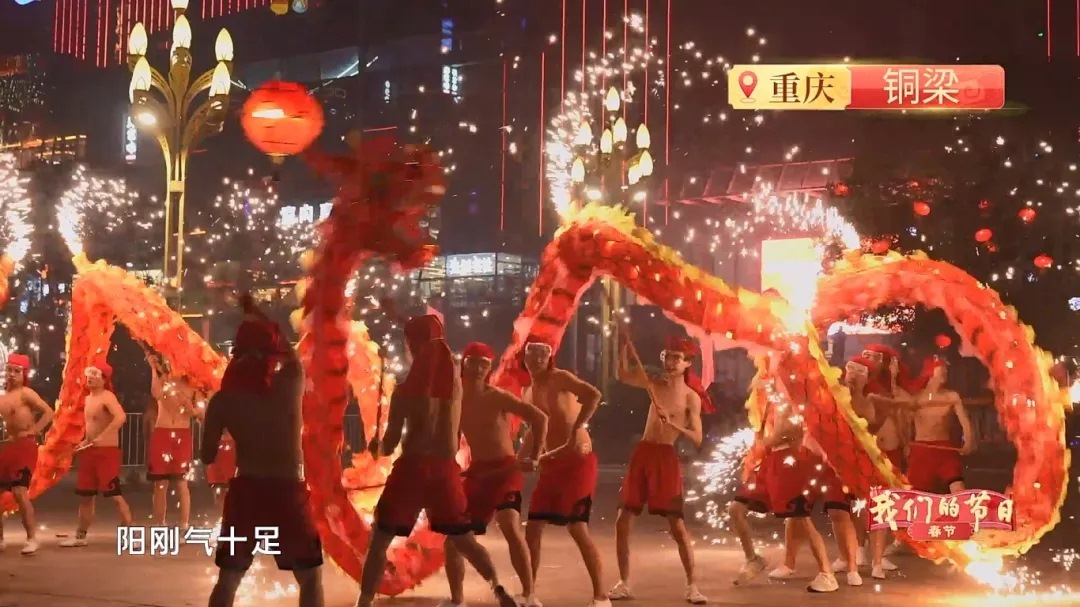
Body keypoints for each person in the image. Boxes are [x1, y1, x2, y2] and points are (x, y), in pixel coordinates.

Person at [354, 316, 517, 607]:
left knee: (380, 539)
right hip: (445, 471)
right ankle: (498, 586)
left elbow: (389, 445)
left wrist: (376, 447)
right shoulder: (457, 390)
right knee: (464, 539)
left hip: (412, 470)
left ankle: (363, 602)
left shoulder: (404, 392)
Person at [204, 295, 325, 607]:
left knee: (229, 579)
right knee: (310, 578)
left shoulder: (223, 400)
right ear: (272, 353)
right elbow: (291, 353)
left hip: (246, 492)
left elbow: (206, 456)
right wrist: (257, 312)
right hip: (287, 491)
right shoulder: (289, 383)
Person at [440, 341, 549, 607]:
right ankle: (457, 600)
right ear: (464, 365)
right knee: (454, 539)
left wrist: (534, 456)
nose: (478, 369)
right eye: (473, 363)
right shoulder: (455, 399)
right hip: (478, 473)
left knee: (510, 524)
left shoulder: (496, 396)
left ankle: (529, 595)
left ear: (489, 368)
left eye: (484, 364)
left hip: (505, 470)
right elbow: (451, 439)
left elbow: (539, 418)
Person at [608, 336, 708, 604]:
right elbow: (623, 375)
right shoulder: (654, 383)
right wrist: (625, 348)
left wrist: (672, 424)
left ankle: (692, 586)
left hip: (665, 457)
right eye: (667, 356)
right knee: (622, 522)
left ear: (687, 363)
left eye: (677, 357)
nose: (671, 362)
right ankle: (624, 582)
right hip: (643, 453)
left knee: (677, 525)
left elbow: (697, 438)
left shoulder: (690, 398)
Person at [519, 338, 609, 607]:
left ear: (550, 357)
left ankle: (601, 597)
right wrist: (519, 458)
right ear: (524, 357)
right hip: (552, 464)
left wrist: (576, 428)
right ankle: (529, 594)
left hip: (577, 460)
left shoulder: (560, 378)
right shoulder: (527, 391)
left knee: (577, 527)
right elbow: (534, 430)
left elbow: (594, 395)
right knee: (533, 528)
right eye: (532, 353)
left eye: (543, 353)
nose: (537, 359)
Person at [736, 364, 840, 593]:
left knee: (801, 517)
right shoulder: (771, 400)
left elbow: (788, 433)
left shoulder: (796, 399)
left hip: (790, 463)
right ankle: (753, 558)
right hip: (771, 462)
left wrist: (762, 442)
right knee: (736, 509)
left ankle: (827, 574)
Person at [871, 357, 974, 494]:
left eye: (946, 369)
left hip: (945, 450)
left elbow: (965, 420)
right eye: (941, 367)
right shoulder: (917, 397)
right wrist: (893, 376)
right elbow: (896, 397)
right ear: (930, 372)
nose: (945, 371)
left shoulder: (952, 396)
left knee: (958, 489)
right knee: (915, 494)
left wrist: (968, 441)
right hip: (921, 451)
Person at [60, 361, 134, 547]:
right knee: (86, 496)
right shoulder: (88, 399)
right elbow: (91, 428)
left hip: (106, 453)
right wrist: (84, 443)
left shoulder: (107, 397)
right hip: (90, 452)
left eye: (95, 375)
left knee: (115, 495)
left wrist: (103, 437)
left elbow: (121, 417)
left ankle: (131, 536)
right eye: (89, 374)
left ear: (104, 379)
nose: (90, 378)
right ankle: (80, 536)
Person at [0, 353, 53, 554]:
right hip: (10, 446)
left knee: (19, 492)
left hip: (25, 446)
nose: (12, 374)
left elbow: (48, 412)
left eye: (17, 371)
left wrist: (35, 430)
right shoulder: (3, 397)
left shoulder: (26, 393)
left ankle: (32, 538)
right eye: (9, 370)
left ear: (23, 374)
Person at [147, 355, 203, 530]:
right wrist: (153, 369)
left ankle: (184, 524)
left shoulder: (193, 385)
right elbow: (156, 393)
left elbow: (200, 412)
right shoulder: (164, 380)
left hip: (182, 434)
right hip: (162, 433)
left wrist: (191, 408)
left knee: (181, 482)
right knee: (160, 483)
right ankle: (159, 523)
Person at [205, 430, 236, 516]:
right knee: (219, 490)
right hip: (217, 445)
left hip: (232, 445)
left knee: (230, 490)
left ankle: (229, 516)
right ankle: (223, 516)